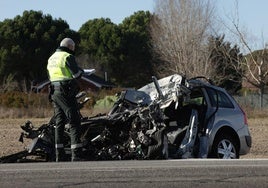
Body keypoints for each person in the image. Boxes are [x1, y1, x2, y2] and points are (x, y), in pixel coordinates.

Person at [47, 38, 84, 162]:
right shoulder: (67, 56)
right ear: (70, 47)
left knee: (59, 122)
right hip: (65, 92)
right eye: (73, 48)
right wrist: (82, 71)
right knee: (74, 121)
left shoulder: (51, 58)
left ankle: (59, 155)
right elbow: (76, 75)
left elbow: (50, 76)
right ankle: (76, 154)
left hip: (54, 92)